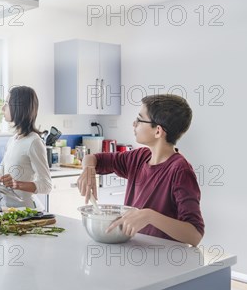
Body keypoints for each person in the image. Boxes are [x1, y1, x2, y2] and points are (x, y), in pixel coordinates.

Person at [77, 94, 204, 246]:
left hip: (164, 261)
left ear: (158, 131)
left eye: (139, 119)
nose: (134, 123)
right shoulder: (140, 157)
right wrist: (88, 169)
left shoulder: (180, 170)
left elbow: (195, 235)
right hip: (136, 252)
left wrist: (149, 216)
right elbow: (94, 158)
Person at [0, 86, 52, 208]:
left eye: (7, 104)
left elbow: (46, 185)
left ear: (19, 108)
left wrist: (17, 184)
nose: (3, 108)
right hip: (9, 211)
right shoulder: (13, 140)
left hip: (28, 213)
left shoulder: (34, 142)